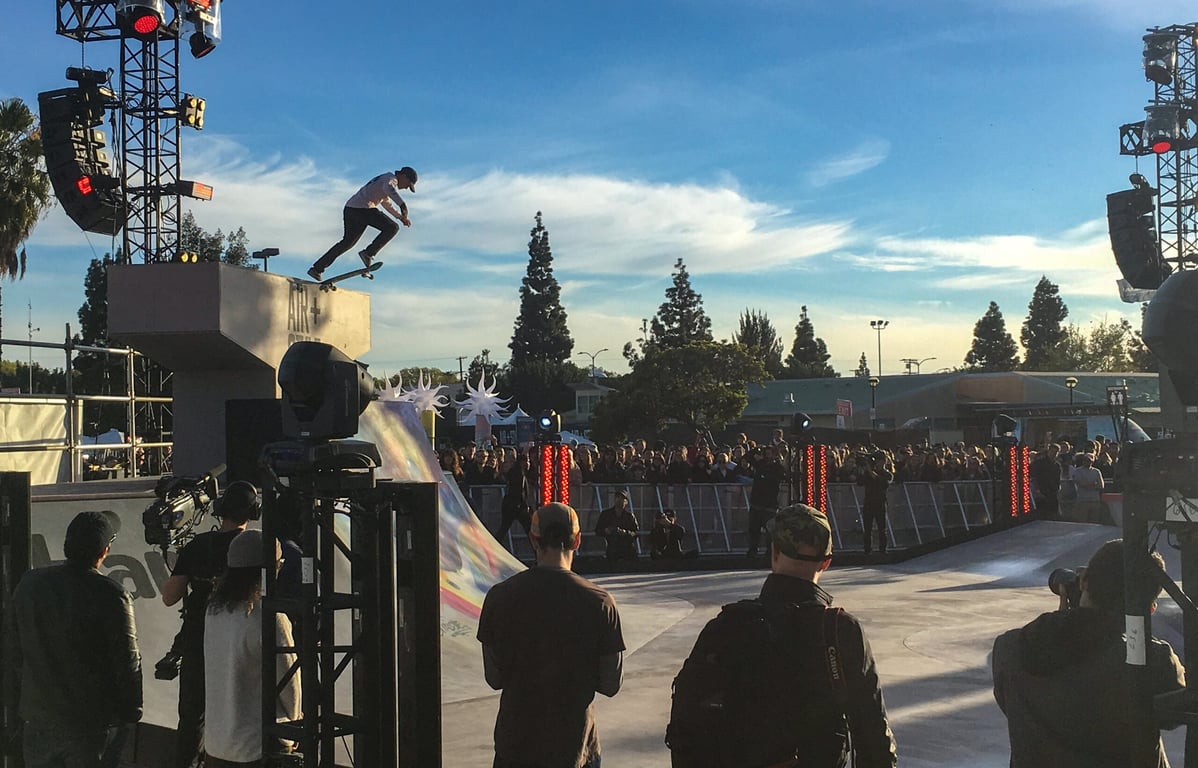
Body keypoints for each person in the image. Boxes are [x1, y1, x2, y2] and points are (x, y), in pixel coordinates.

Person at [666, 504, 897, 767]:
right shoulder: (840, 630)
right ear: (826, 562)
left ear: (774, 552)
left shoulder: (727, 625)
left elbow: (687, 722)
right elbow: (873, 735)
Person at [992, 539, 1185, 768]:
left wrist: (1065, 622)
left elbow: (1014, 705)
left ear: (1084, 581)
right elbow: (1176, 715)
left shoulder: (1009, 648)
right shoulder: (1153, 661)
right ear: (1150, 608)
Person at [477, 502, 625, 768]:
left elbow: (494, 678)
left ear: (534, 540)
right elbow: (610, 684)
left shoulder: (499, 597)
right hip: (575, 748)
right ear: (577, 540)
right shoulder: (600, 603)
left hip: (516, 746)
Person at [4, 511, 142, 768]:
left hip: (38, 719)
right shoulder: (113, 594)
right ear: (104, 551)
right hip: (90, 723)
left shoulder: (29, 584)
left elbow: (13, 647)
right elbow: (127, 660)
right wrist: (133, 710)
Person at [161, 481, 259, 768]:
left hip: (197, 639)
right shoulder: (254, 548)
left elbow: (169, 597)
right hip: (239, 642)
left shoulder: (198, 545)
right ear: (253, 512)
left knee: (192, 718)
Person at [203, 529, 301, 768]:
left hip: (217, 744)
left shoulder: (214, 612)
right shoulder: (270, 618)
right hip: (258, 745)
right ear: (268, 570)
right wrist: (294, 725)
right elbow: (289, 682)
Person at [306, 167, 418, 281]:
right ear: (403, 176)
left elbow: (386, 203)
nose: (405, 188)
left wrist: (400, 217)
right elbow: (389, 189)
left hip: (351, 209)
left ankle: (317, 269)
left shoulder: (384, 179)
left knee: (347, 243)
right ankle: (368, 253)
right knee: (392, 228)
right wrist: (403, 206)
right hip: (363, 209)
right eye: (408, 185)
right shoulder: (390, 179)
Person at [745, 444, 786, 558]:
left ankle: (769, 553)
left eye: (769, 453)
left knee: (770, 531)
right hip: (756, 503)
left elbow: (780, 476)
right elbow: (747, 457)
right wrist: (757, 449)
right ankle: (753, 550)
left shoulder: (777, 467)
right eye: (765, 453)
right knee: (754, 530)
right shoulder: (759, 464)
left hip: (770, 504)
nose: (767, 456)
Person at [857, 452, 894, 556]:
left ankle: (883, 549)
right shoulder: (868, 474)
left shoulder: (888, 474)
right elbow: (860, 482)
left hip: (880, 503)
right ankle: (867, 550)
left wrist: (870, 471)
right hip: (868, 503)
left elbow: (882, 483)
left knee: (882, 529)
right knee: (867, 529)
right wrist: (863, 470)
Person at [594, 489, 640, 561]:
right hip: (612, 549)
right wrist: (606, 531)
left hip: (627, 549)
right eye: (618, 497)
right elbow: (597, 530)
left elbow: (636, 533)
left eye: (622, 498)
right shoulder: (606, 514)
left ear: (626, 502)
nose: (619, 500)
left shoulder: (629, 516)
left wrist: (626, 533)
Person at [1029, 443, 1063, 519]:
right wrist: (1037, 490)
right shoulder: (1039, 463)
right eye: (1052, 451)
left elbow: (1057, 479)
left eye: (1056, 452)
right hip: (1041, 493)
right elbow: (1032, 477)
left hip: (1052, 494)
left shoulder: (1057, 466)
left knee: (1054, 516)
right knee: (1041, 515)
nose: (1053, 454)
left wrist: (1057, 489)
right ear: (1048, 451)